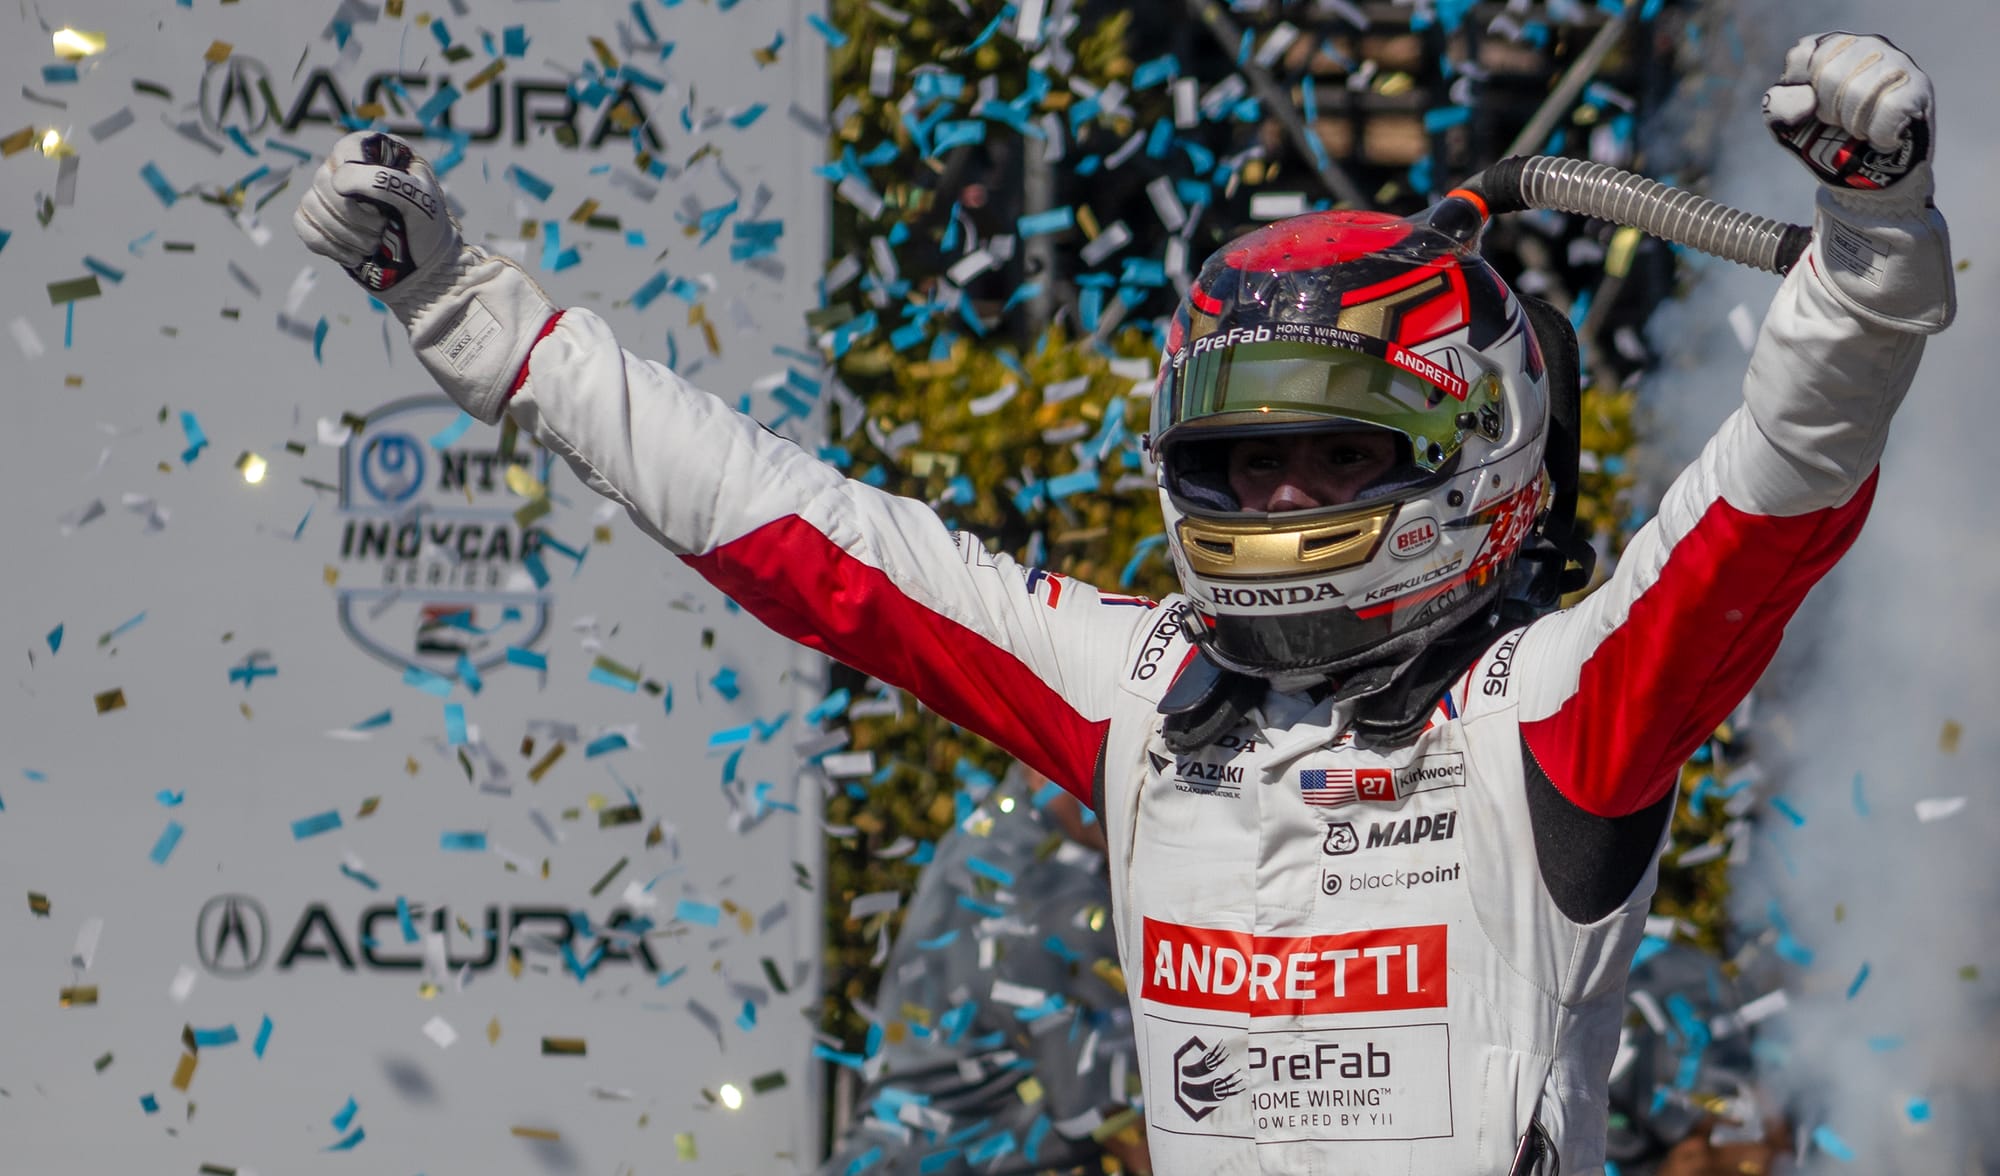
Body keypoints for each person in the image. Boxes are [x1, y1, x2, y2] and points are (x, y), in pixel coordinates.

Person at [294, 31, 1954, 1175]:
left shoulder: (1557, 710)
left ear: (1476, 440)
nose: (1273, 500)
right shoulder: (1139, 688)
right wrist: (490, 324)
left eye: (1326, 456)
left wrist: (1869, 253)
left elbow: (1774, 492)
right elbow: (803, 535)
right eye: (1235, 463)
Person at [814, 768, 1151, 1175]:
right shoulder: (1051, 893)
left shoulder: (988, 832)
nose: (1139, 799)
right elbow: (1122, 1116)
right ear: (1040, 767)